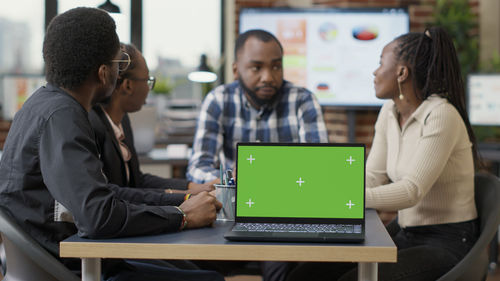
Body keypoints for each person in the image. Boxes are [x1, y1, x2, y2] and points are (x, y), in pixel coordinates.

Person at [0, 7, 223, 281]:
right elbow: (98, 216)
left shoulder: (42, 103)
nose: (120, 73)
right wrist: (182, 216)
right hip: (70, 268)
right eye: (119, 63)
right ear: (104, 73)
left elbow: (106, 195)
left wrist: (183, 202)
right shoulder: (63, 117)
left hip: (67, 258)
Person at [284, 27, 480, 281]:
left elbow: (411, 191)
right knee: (306, 274)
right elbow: (373, 176)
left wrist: (346, 200)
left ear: (401, 72)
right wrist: (329, 193)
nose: (374, 73)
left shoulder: (441, 115)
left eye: (380, 64)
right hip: (406, 232)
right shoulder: (390, 111)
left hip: (446, 242)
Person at [187, 29, 328, 184]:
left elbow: (318, 165)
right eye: (256, 67)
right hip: (235, 199)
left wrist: (262, 177)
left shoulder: (303, 100)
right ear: (236, 70)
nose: (268, 77)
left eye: (276, 67)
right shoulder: (218, 100)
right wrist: (232, 179)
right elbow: (198, 168)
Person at [89, 43, 216, 195]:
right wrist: (186, 198)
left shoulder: (123, 121)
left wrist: (194, 187)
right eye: (147, 80)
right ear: (128, 85)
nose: (149, 88)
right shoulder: (93, 125)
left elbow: (138, 181)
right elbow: (116, 195)